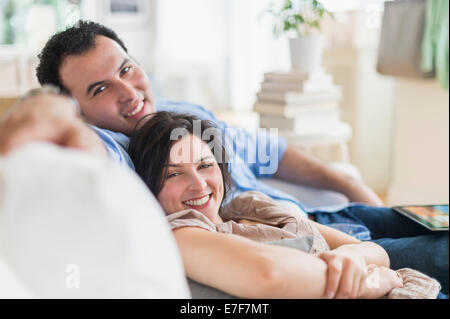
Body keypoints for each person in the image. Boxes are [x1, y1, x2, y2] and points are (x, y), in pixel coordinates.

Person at [0, 20, 447, 294]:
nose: (129, 93)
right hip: (296, 248)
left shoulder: (186, 111)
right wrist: (42, 112)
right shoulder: (113, 149)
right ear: (78, 110)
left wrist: (352, 186)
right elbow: (45, 141)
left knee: (437, 218)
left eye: (126, 69)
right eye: (100, 89)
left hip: (324, 218)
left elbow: (270, 151)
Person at [127, 111, 442, 299]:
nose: (198, 185)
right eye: (174, 174)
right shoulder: (180, 232)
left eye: (205, 166)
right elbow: (269, 274)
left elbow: (364, 248)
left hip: (404, 283)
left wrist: (350, 257)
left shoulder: (248, 206)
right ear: (149, 187)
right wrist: (367, 278)